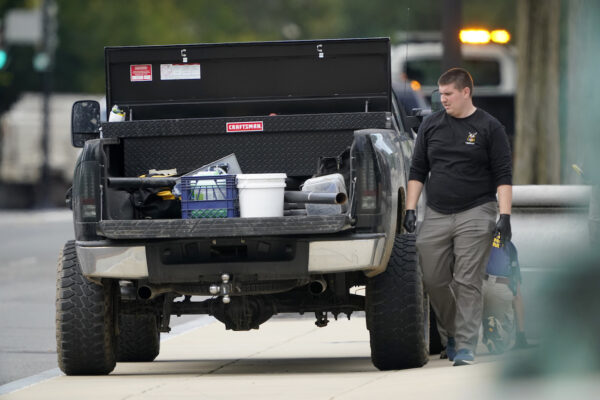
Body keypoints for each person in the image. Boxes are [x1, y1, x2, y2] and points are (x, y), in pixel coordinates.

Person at [403, 67, 513, 366]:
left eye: (448, 94)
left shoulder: (490, 127)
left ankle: (465, 345)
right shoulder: (431, 125)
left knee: (467, 280)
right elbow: (418, 169)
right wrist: (410, 209)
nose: (443, 99)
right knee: (433, 279)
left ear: (466, 92)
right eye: (440, 94)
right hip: (437, 212)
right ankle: (452, 332)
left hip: (477, 211)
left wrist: (504, 216)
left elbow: (503, 175)